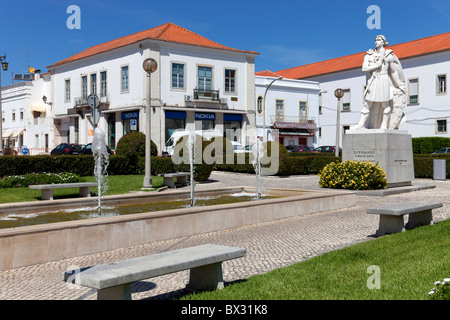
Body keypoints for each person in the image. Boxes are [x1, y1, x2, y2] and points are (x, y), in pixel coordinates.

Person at [353, 35, 406, 130]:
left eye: (379, 40)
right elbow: (364, 68)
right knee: (367, 104)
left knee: (385, 104)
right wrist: (376, 65)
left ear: (383, 42)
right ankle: (361, 124)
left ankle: (384, 125)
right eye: (375, 40)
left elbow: (393, 72)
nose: (376, 42)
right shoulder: (369, 55)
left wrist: (399, 84)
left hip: (384, 80)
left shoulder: (389, 55)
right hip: (373, 80)